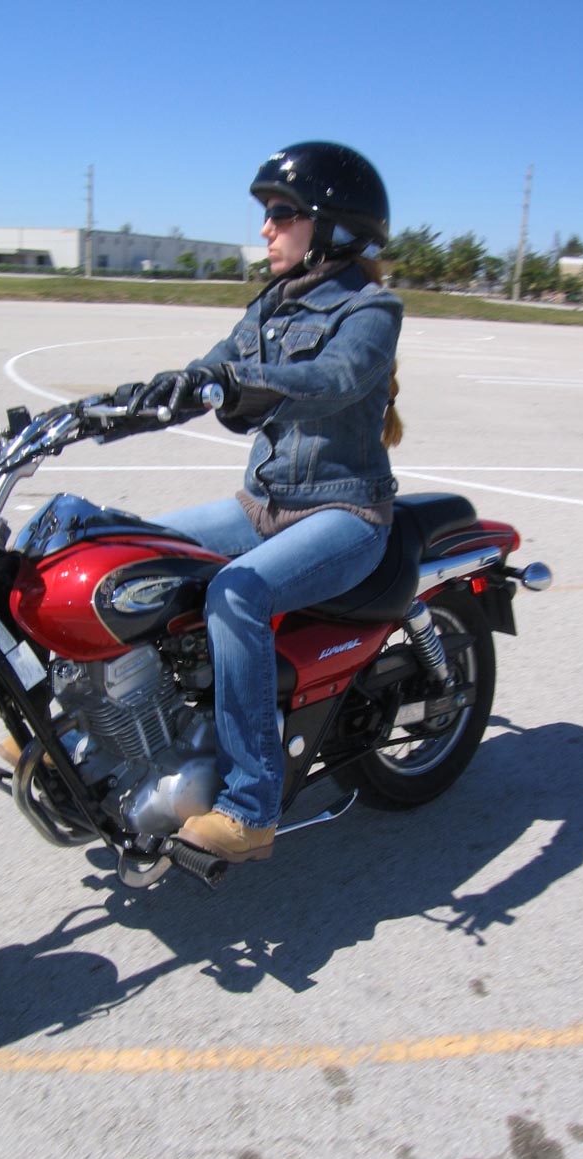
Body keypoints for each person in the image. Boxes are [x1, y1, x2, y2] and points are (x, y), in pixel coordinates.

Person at [123, 141, 404, 863]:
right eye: (268, 214)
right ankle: (110, 734)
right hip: (264, 506)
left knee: (236, 594)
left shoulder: (372, 309)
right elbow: (216, 364)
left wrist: (243, 384)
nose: (266, 228)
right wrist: (158, 392)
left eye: (282, 214)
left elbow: (336, 377)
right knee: (129, 552)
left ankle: (251, 806)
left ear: (332, 226)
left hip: (345, 513)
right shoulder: (270, 305)